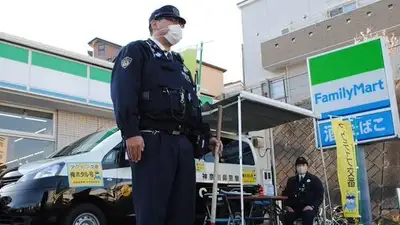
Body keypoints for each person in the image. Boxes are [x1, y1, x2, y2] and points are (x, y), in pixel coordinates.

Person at [110, 5, 222, 225]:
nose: (177, 26)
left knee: (182, 212)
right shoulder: (137, 51)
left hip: (182, 145)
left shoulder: (180, 65)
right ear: (155, 24)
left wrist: (206, 136)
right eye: (172, 20)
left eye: (180, 23)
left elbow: (192, 105)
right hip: (151, 141)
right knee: (153, 211)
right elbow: (123, 92)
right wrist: (131, 132)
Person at [282, 157, 324, 225]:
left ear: (307, 166)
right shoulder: (291, 181)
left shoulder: (314, 179)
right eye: (299, 165)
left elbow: (319, 195)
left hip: (309, 208)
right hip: (294, 208)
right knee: (287, 217)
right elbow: (285, 194)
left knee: (308, 216)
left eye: (303, 165)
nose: (301, 167)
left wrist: (312, 206)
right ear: (296, 167)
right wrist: (287, 206)